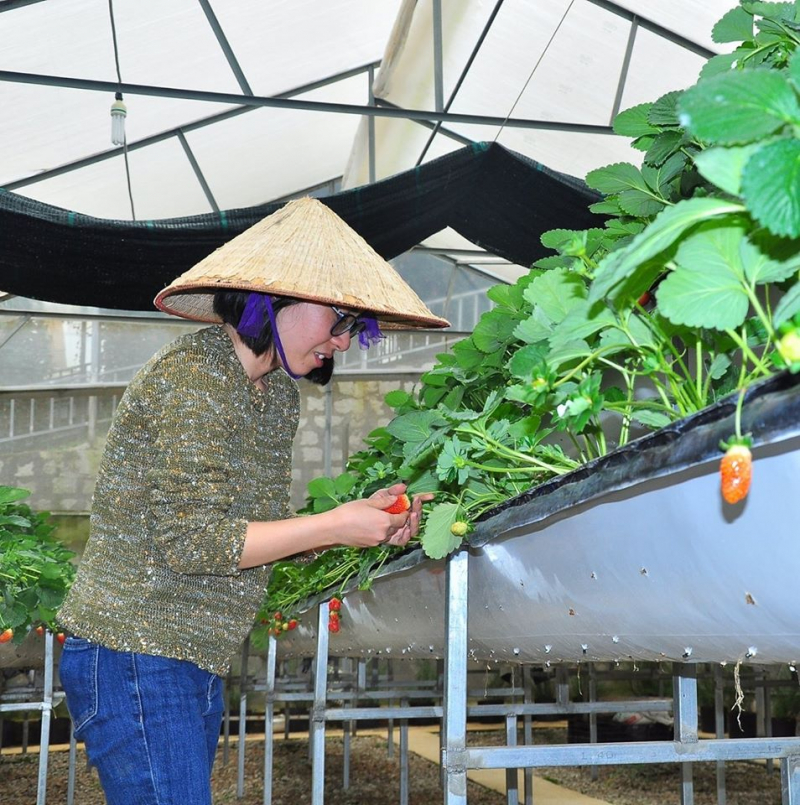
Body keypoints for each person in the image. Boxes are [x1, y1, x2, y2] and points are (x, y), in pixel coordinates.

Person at [56, 197, 449, 805]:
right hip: (135, 650)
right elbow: (197, 542)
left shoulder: (272, 396)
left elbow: (254, 533)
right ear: (277, 298)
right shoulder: (194, 379)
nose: (343, 344)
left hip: (187, 655)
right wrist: (332, 524)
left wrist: (361, 523)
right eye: (339, 321)